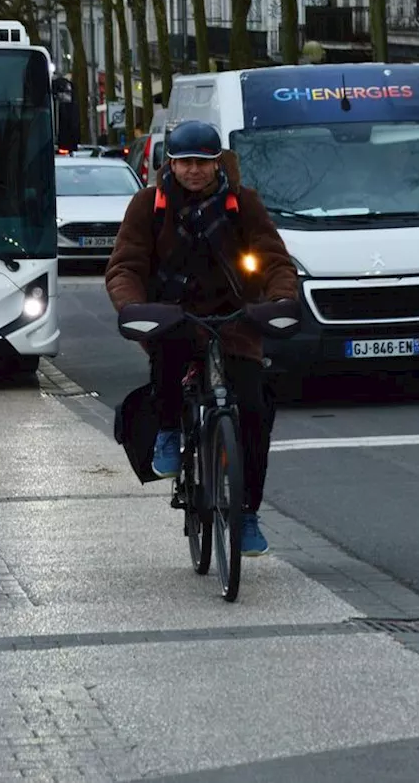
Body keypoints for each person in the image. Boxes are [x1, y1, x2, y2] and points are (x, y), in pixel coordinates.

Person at [105, 121, 298, 557]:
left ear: (217, 164)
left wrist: (279, 299)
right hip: (172, 316)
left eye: (203, 163)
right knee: (169, 362)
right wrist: (134, 307)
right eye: (185, 162)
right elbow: (125, 267)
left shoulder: (242, 204)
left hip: (236, 319)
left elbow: (275, 262)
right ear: (170, 164)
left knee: (253, 409)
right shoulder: (148, 205)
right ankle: (169, 433)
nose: (194, 171)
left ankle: (246, 514)